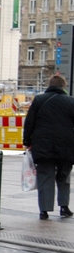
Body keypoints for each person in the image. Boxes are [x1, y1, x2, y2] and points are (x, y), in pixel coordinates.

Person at [22, 74, 74, 220]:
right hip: (66, 146)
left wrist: (27, 141)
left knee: (45, 176)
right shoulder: (71, 101)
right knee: (64, 176)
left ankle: (44, 211)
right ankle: (64, 207)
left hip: (43, 145)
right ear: (63, 86)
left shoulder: (39, 100)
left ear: (49, 86)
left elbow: (29, 122)